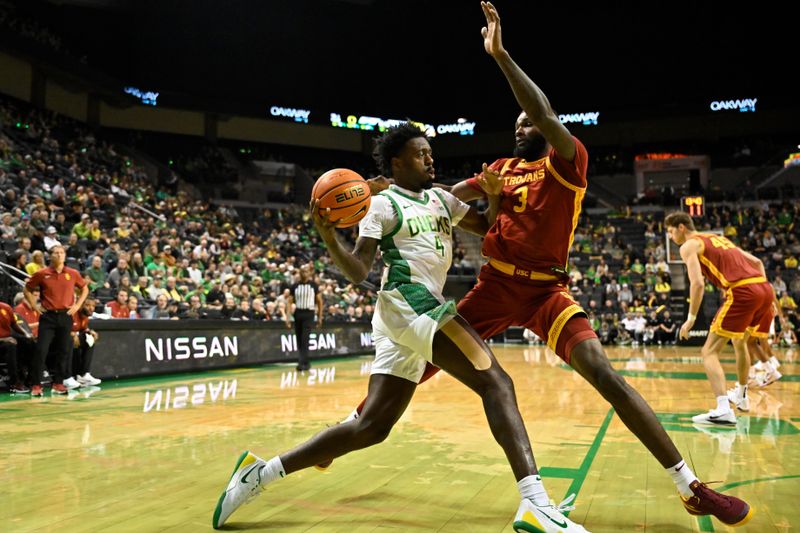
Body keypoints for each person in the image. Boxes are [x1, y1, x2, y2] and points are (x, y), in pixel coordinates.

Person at [330, 3, 751, 527]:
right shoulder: (501, 169)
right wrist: (381, 191)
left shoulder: (566, 162)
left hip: (548, 291)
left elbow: (546, 115)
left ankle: (689, 486)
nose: (523, 123)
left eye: (531, 118)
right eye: (517, 121)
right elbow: (433, 198)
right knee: (422, 369)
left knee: (607, 375)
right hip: (495, 287)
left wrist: (501, 57)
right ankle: (353, 427)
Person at [212, 121, 590, 532]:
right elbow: (358, 268)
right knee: (496, 382)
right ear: (397, 162)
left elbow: (487, 230)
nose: (430, 159)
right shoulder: (382, 203)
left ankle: (259, 474)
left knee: (371, 427)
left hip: (405, 316)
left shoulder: (441, 200)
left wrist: (496, 199)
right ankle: (535, 502)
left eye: (430, 153)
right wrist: (326, 232)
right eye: (420, 154)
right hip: (408, 303)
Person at [665, 212, 773, 427]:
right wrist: (763, 290)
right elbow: (758, 261)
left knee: (708, 351)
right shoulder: (718, 237)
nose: (669, 236)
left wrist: (691, 318)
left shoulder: (689, 246)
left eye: (669, 231)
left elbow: (697, 284)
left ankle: (723, 409)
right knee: (739, 341)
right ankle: (741, 395)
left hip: (743, 291)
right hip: (763, 287)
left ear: (681, 227)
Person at [23, 245, 90, 396]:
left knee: (64, 351)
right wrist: (35, 306)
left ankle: (58, 383)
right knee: (41, 350)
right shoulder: (42, 273)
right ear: (50, 256)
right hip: (48, 317)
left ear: (65, 256)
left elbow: (85, 288)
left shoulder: (72, 273)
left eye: (62, 253)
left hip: (66, 316)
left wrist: (78, 305)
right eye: (56, 253)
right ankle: (36, 385)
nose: (59, 255)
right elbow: (27, 289)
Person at [286, 264, 324, 371]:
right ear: (299, 273)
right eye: (302, 271)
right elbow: (289, 302)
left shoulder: (314, 286)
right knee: (299, 339)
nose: (304, 273)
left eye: (306, 271)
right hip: (298, 313)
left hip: (309, 313)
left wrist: (320, 317)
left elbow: (320, 302)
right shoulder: (295, 286)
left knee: (305, 338)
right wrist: (288, 318)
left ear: (309, 273)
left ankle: (301, 363)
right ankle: (306, 362)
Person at [1, 300, 34, 393]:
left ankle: (29, 379)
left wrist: (26, 334)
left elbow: (14, 324)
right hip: (3, 341)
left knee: (30, 343)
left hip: (7, 339)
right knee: (10, 345)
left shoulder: (5, 307)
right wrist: (3, 339)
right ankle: (15, 382)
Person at [70, 296, 102, 387]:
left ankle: (84, 374)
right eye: (87, 305)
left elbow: (83, 328)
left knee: (90, 338)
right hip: (63, 339)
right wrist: (72, 334)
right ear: (80, 305)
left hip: (75, 339)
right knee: (72, 340)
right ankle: (68, 376)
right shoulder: (72, 313)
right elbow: (62, 328)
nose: (91, 308)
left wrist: (90, 331)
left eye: (93, 306)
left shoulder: (85, 317)